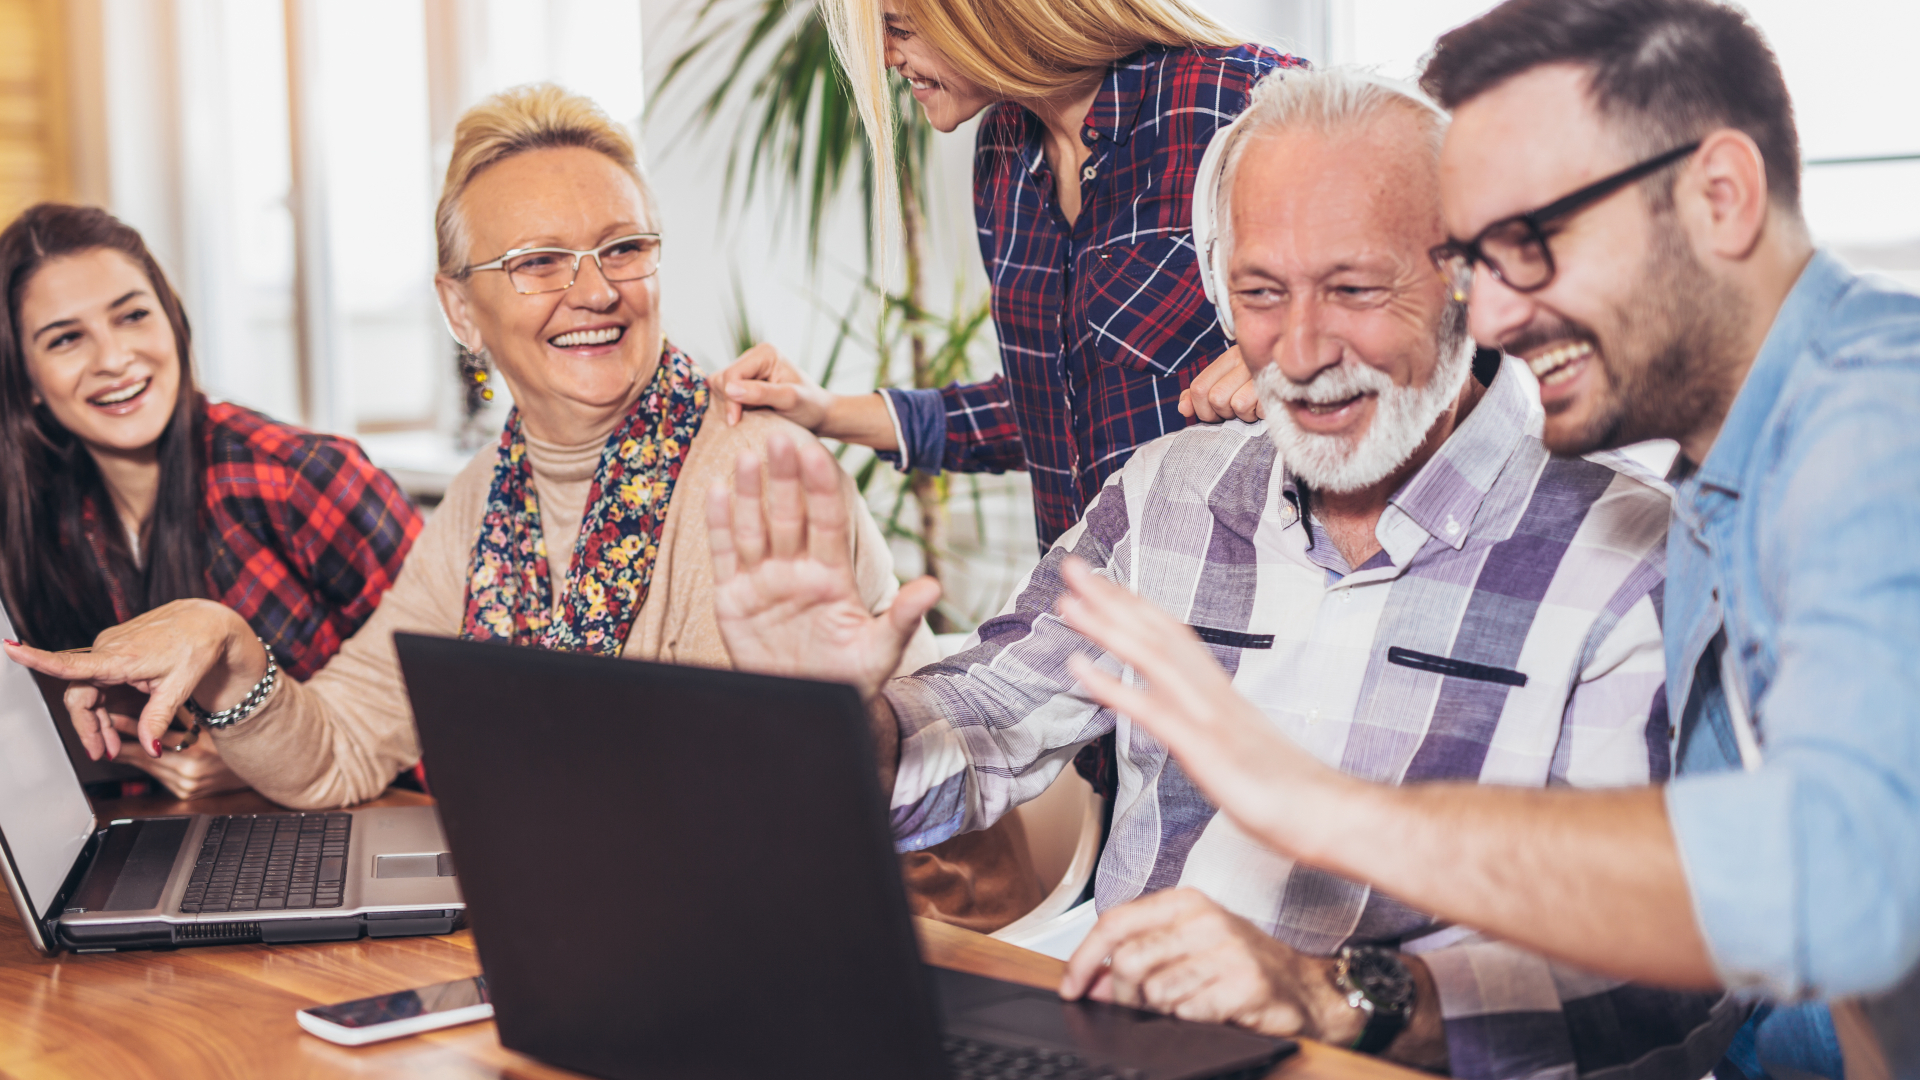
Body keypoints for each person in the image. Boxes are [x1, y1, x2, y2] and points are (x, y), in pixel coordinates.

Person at [704, 68, 1743, 1077]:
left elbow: (1673, 966)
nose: (1300, 349)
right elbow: (985, 718)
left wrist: (1334, 996)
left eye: (1355, 289)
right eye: (1260, 292)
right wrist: (842, 718)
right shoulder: (1164, 493)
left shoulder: (1633, 556)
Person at [1022, 1, 1920, 1075]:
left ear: (1719, 197)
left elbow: (1842, 879)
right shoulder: (1726, 489)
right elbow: (1747, 960)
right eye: (1475, 261)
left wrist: (1319, 810)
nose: (1487, 319)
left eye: (1531, 244)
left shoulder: (1879, 423)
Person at [6, 84, 1041, 932]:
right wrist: (229, 649)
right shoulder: (481, 503)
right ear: (462, 307)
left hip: (883, 936)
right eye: (537, 262)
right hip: (653, 919)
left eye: (622, 248)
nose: (594, 290)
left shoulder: (753, 464)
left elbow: (751, 815)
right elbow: (342, 749)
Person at [717, 0, 1301, 800]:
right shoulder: (1002, 157)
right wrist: (829, 412)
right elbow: (1051, 405)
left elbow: (1435, 307)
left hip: (1250, 673)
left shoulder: (1240, 104)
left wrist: (1293, 357)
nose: (886, 58)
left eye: (898, 25)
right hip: (1088, 678)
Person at [0, 203, 421, 800]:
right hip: (187, 826)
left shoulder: (301, 476)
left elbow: (444, 689)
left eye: (133, 316)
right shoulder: (41, 520)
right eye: (67, 339)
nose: (114, 359)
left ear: (174, 323)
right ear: (27, 382)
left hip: (372, 813)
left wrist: (262, 750)